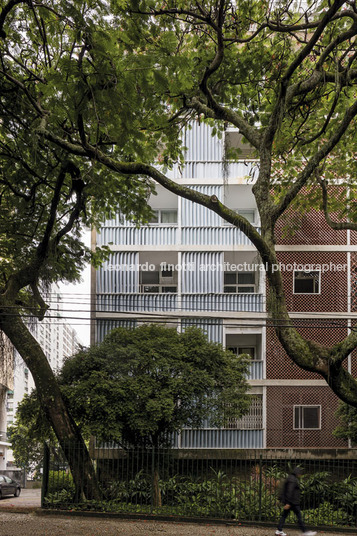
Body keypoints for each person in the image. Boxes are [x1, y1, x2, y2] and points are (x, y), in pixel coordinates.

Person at [275, 467, 317, 536]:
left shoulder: (291, 478)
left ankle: (279, 530)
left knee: (284, 516)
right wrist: (288, 503)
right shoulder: (292, 479)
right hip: (292, 502)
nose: (300, 475)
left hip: (291, 502)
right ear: (297, 473)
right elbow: (289, 491)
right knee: (298, 517)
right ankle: (305, 532)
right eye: (300, 473)